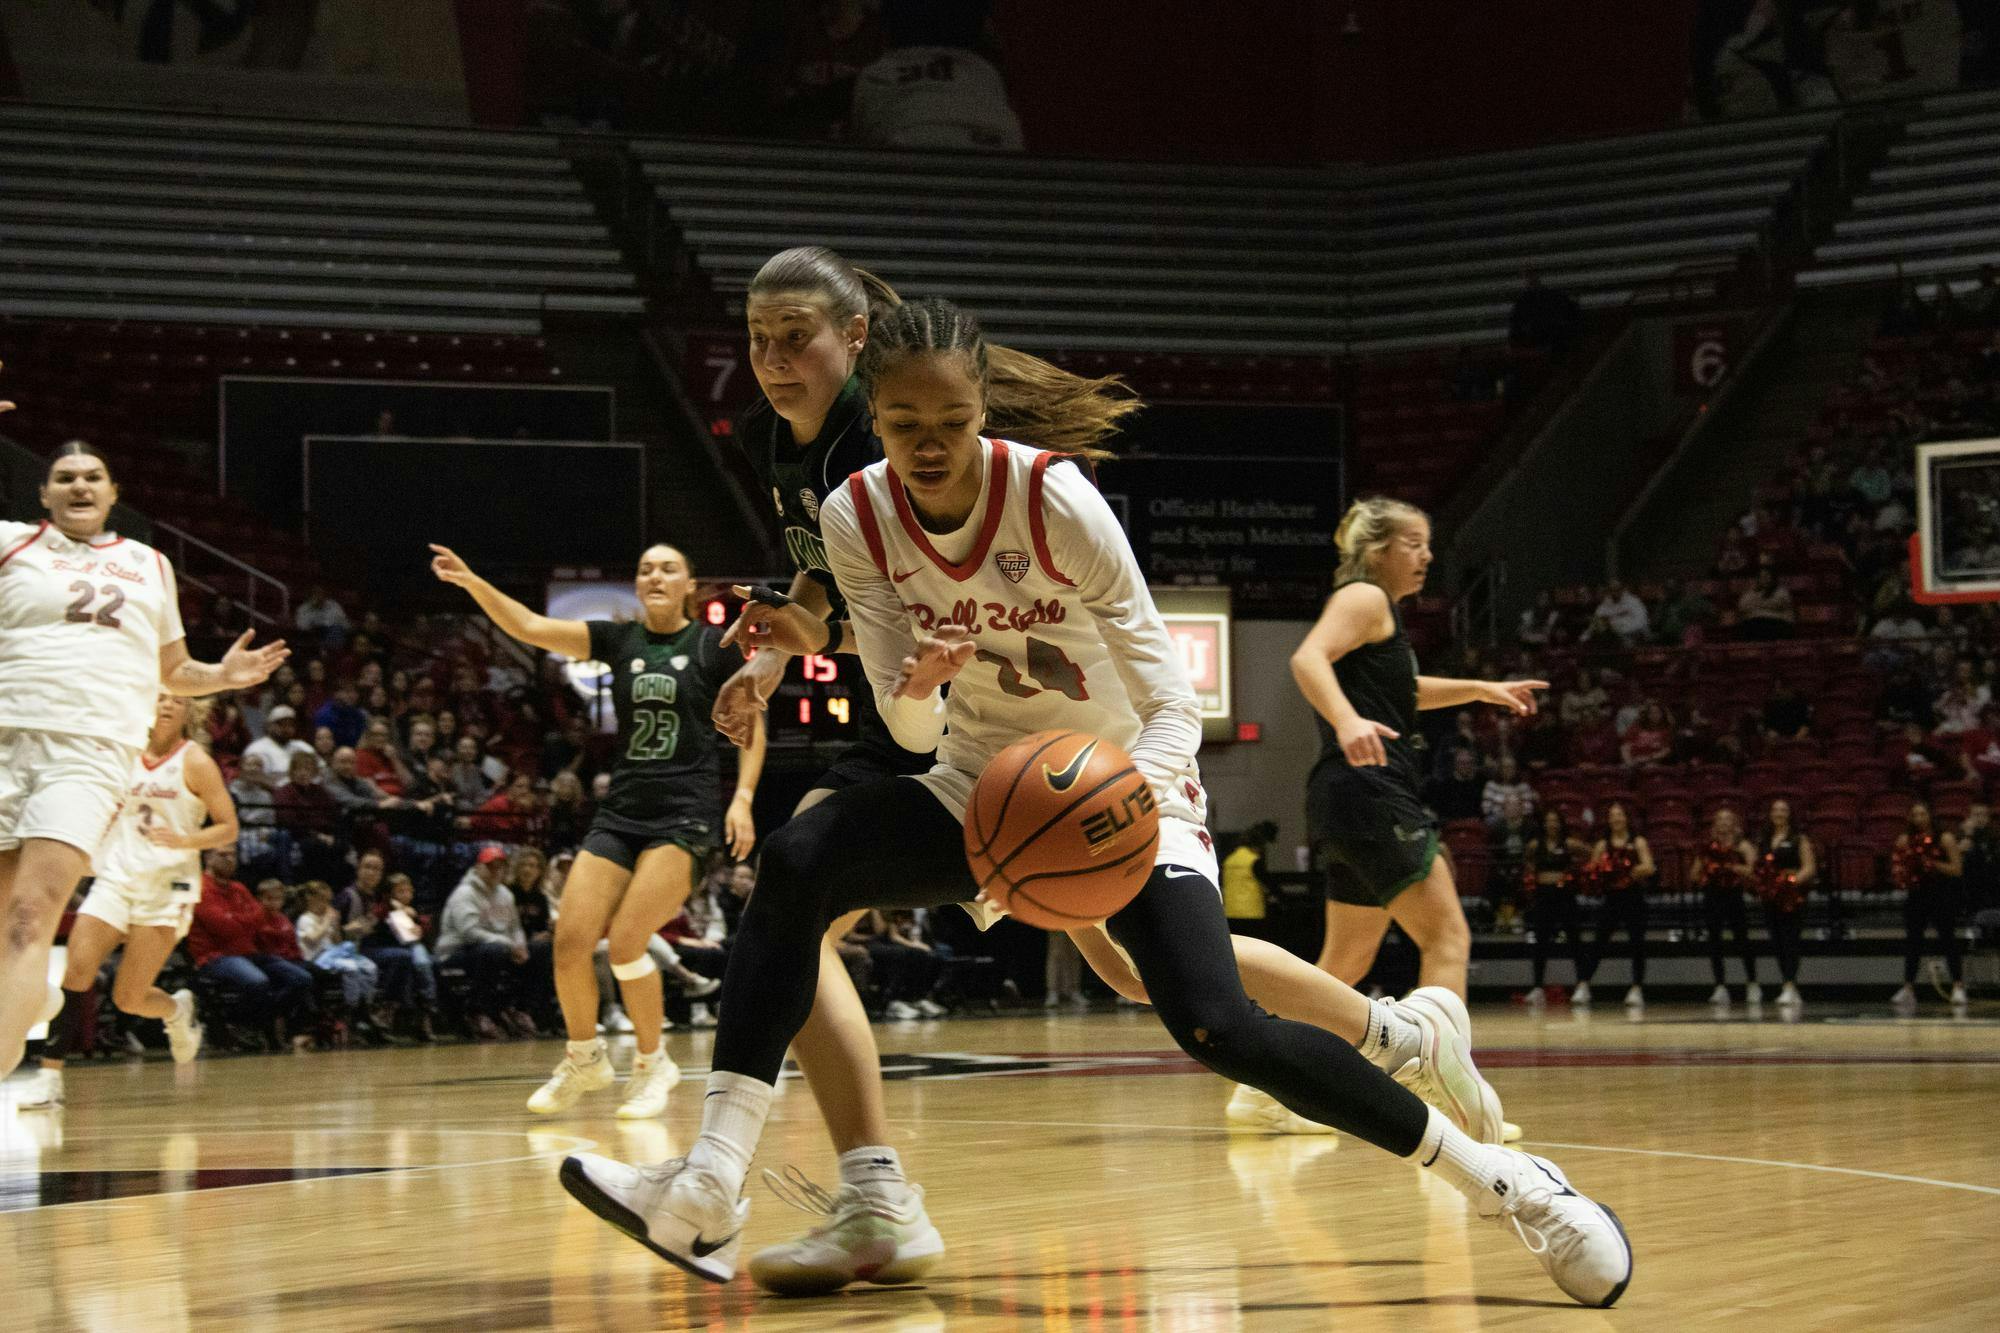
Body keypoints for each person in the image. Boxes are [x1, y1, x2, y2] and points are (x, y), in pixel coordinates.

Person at [559, 296, 1632, 1309]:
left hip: (1130, 775)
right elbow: (913, 731)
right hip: (977, 783)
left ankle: (1507, 1182)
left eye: (951, 421)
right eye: (901, 423)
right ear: (870, 416)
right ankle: (706, 1187)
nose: (927, 445)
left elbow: (1168, 699)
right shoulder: (855, 514)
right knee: (800, 862)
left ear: (982, 411)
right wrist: (927, 681)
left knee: (1213, 1024)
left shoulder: (1052, 498)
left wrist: (1116, 804)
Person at [431, 540, 765, 1117]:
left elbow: (753, 722)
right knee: (571, 940)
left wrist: (743, 798)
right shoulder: (619, 640)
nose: (655, 576)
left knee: (629, 939)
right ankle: (584, 1058)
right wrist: (472, 582)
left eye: (668, 568)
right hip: (622, 811)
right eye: (644, 569)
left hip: (685, 812)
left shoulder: (714, 645)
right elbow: (532, 626)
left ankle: (651, 1063)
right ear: (636, 586)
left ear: (690, 586)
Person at [0, 440, 285, 1075]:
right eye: (64, 476)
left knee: (30, 917)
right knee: (4, 934)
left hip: (89, 750)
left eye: (93, 476)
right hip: (3, 737)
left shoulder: (149, 565)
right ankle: (25, 1008)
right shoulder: (13, 544)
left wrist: (221, 675)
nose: (79, 485)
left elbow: (175, 671)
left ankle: (19, 1031)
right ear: (42, 495)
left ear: (112, 494)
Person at [1291, 495, 1541, 1136]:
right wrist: (1346, 721)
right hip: (1371, 790)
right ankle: (1448, 1095)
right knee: (1448, 939)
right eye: (1413, 542)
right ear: (1377, 550)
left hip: (1351, 797)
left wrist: (1481, 689)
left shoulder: (1381, 618)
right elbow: (1307, 658)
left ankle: (1271, 1084)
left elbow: (1407, 691)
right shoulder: (1364, 598)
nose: (1426, 555)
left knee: (1345, 963)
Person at [15, 695, 237, 1109]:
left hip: (167, 886)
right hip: (116, 877)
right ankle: (49, 1078)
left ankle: (176, 1009)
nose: (167, 705)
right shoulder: (124, 753)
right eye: (159, 697)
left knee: (129, 998)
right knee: (78, 971)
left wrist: (187, 840)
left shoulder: (196, 762)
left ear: (191, 711)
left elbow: (229, 828)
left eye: (176, 700)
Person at [1574, 802, 1656, 1010]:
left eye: (1619, 815)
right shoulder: (1602, 845)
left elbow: (1649, 867)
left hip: (1633, 897)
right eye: (1612, 815)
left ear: (1626, 818)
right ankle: (1583, 984)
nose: (1616, 819)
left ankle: (1637, 988)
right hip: (1611, 898)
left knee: (1637, 943)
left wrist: (1633, 871)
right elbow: (1593, 869)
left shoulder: (1637, 841)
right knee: (1598, 942)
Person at [1891, 801, 1966, 1009]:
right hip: (1916, 896)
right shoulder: (1905, 839)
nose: (1919, 818)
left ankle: (1958, 985)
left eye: (1922, 814)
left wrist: (1932, 864)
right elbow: (1899, 866)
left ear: (1930, 815)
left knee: (1948, 940)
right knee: (1913, 942)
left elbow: (1956, 869)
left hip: (1941, 895)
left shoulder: (1945, 838)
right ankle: (1908, 987)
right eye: (1915, 814)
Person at [1690, 808, 1759, 1008]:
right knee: (1715, 941)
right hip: (1712, 895)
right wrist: (1707, 870)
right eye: (1719, 819)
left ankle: (1752, 983)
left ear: (1734, 823)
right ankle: (1720, 985)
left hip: (1734, 895)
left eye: (1728, 819)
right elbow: (1694, 875)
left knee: (1742, 939)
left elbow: (1755, 873)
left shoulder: (1742, 845)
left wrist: (1733, 868)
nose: (1723, 823)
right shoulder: (1708, 847)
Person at [1523, 808, 1588, 1007]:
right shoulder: (1536, 845)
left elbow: (1590, 853)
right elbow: (1528, 862)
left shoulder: (1568, 844)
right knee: (1541, 942)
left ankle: (1582, 985)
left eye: (1555, 820)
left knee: (1574, 940)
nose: (1552, 824)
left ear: (1560, 824)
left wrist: (1575, 873)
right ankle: (1538, 987)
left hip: (1565, 896)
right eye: (1548, 820)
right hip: (1543, 896)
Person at [1753, 799, 1814, 1010]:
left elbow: (1808, 867)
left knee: (1790, 940)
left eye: (1783, 810)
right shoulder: (1763, 840)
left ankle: (1790, 984)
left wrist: (1791, 882)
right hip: (1770, 898)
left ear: (1789, 814)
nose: (1779, 813)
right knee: (1776, 941)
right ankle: (1787, 984)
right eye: (1775, 809)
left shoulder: (1799, 839)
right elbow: (1758, 867)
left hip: (1792, 897)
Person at [1221, 821, 1277, 940]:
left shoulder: (1229, 860)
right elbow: (1269, 884)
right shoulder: (1254, 861)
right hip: (1252, 914)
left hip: (1231, 913)